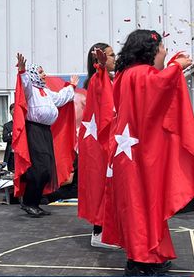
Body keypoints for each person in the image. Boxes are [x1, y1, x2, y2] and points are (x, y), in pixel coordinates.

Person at [101, 30, 194, 275]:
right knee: (142, 205)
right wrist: (176, 68)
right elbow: (157, 86)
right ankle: (142, 262)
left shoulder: (126, 74)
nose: (164, 50)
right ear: (150, 49)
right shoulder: (140, 74)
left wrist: (172, 68)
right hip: (139, 156)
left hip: (130, 153)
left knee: (143, 205)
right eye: (162, 47)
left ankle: (151, 255)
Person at [14, 53, 78, 217]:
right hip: (33, 130)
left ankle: (34, 202)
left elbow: (62, 98)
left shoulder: (45, 92)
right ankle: (28, 202)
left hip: (45, 132)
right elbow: (24, 85)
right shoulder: (31, 91)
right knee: (40, 169)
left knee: (48, 170)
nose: (44, 75)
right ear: (34, 73)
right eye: (41, 72)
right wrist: (22, 71)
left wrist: (71, 86)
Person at [79, 42, 117, 249]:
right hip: (98, 144)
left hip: (106, 142)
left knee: (107, 185)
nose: (114, 58)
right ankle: (99, 232)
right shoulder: (97, 79)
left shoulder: (107, 80)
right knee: (100, 185)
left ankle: (106, 229)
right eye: (110, 55)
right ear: (99, 60)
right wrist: (101, 68)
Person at [2, 103, 15, 172]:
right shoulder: (7, 125)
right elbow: (5, 138)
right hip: (11, 154)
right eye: (13, 110)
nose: (15, 112)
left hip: (21, 154)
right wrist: (13, 134)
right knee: (11, 174)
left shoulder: (24, 124)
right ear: (10, 112)